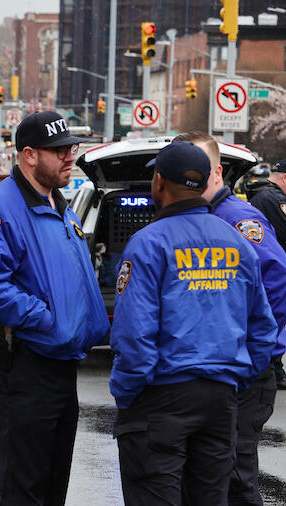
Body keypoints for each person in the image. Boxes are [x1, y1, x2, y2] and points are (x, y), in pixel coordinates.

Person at [110, 142, 278, 505]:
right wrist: (234, 379)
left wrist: (127, 397)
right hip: (220, 402)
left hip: (160, 397)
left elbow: (134, 336)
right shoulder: (237, 243)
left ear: (158, 182)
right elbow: (263, 331)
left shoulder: (147, 244)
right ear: (204, 183)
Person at [0, 111, 109, 505]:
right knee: (24, 486)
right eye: (58, 151)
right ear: (28, 155)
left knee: (53, 483)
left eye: (71, 149)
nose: (68, 157)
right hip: (26, 363)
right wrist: (45, 319)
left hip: (61, 361)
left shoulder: (62, 206)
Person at [172, 133, 286, 505]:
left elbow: (278, 281)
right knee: (209, 475)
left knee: (235, 479)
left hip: (245, 375)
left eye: (198, 169)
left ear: (217, 172)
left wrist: (250, 349)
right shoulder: (196, 218)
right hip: (216, 374)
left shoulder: (236, 218)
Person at [248, 159, 286, 390]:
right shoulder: (275, 199)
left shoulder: (259, 195)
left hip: (263, 270)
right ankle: (273, 367)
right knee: (275, 322)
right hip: (274, 271)